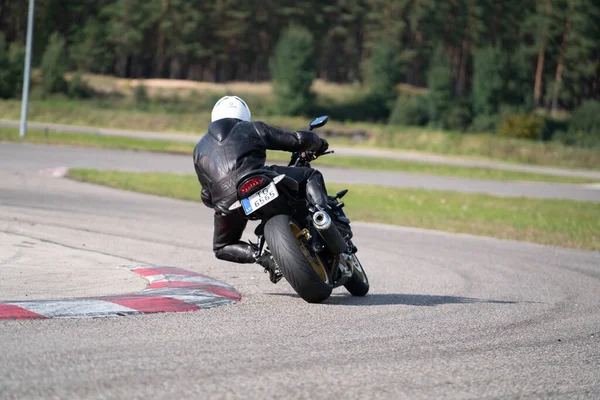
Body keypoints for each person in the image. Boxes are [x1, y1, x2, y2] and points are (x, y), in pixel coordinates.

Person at [193, 95, 330, 281]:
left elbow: (206, 194)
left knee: (222, 247)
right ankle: (321, 217)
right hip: (258, 179)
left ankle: (264, 258)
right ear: (244, 114)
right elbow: (295, 140)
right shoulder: (251, 127)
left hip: (229, 201)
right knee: (311, 175)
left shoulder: (199, 149)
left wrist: (220, 200)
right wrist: (319, 143)